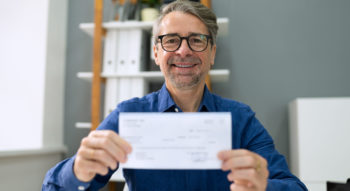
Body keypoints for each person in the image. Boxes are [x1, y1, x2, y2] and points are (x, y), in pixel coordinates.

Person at [43, 0, 308, 190]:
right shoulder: (129, 115)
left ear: (212, 53)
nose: (183, 51)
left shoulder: (240, 119)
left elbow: (294, 187)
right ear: (156, 53)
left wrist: (263, 186)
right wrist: (79, 169)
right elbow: (53, 188)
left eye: (197, 40)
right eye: (171, 40)